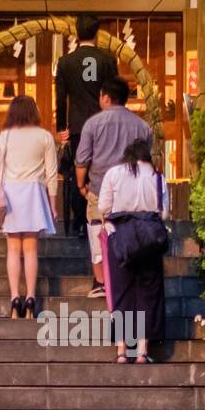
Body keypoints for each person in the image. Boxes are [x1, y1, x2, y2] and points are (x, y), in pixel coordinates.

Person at [75, 75, 151, 299]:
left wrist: (81, 186)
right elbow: (148, 159)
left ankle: (100, 282)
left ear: (105, 97)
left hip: (98, 188)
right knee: (127, 234)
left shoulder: (93, 124)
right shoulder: (142, 126)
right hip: (132, 192)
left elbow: (82, 160)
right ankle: (128, 277)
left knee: (97, 233)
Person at [98, 137, 169, 363]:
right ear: (147, 155)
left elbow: (103, 207)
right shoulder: (157, 177)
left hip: (121, 238)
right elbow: (164, 213)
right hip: (150, 240)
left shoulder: (114, 173)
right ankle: (142, 351)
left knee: (121, 293)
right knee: (148, 294)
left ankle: (121, 350)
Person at [0, 94, 58, 318]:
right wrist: (53, 205)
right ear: (33, 112)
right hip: (34, 195)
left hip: (10, 195)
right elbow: (52, 174)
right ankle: (30, 298)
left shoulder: (3, 138)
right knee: (30, 249)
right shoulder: (45, 137)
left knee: (12, 249)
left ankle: (14, 299)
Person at [55, 14, 116, 238]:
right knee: (103, 170)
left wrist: (62, 127)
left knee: (77, 172)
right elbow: (115, 92)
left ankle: (81, 221)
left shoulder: (65, 62)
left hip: (78, 126)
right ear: (97, 33)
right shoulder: (108, 59)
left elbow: (61, 98)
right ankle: (104, 215)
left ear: (76, 35)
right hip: (105, 125)